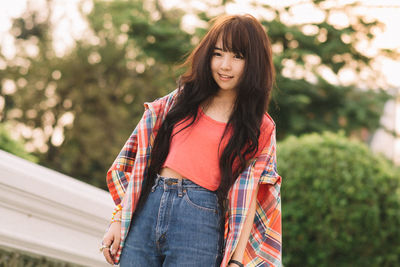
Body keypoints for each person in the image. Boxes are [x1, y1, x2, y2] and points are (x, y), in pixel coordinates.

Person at [101, 14, 282, 267]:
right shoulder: (180, 101)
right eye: (218, 54)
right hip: (148, 207)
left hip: (200, 221)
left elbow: (250, 196)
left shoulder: (259, 126)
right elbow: (138, 163)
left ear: (254, 63)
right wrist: (118, 219)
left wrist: (237, 262)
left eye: (237, 57)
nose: (224, 65)